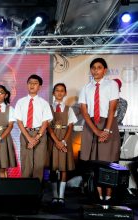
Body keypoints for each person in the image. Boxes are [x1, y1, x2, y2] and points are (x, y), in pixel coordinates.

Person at [78, 58, 120, 202]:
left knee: (107, 162)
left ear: (105, 70)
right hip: (91, 125)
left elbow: (112, 108)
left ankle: (108, 197)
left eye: (99, 67)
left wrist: (107, 130)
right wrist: (96, 131)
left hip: (107, 123)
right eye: (93, 68)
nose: (96, 70)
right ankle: (98, 197)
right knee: (94, 162)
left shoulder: (112, 85)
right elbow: (84, 111)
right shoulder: (86, 88)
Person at [14, 74, 53, 182]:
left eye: (35, 83)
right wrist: (29, 138)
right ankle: (25, 191)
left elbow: (45, 122)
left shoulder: (44, 103)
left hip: (39, 134)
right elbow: (19, 122)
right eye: (30, 83)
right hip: (25, 133)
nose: (32, 85)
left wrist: (36, 137)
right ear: (27, 85)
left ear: (39, 87)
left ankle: (37, 191)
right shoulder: (20, 102)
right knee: (26, 164)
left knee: (39, 165)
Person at [47, 83, 77, 206]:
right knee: (53, 168)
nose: (59, 93)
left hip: (65, 139)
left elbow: (70, 127)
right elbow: (47, 126)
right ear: (53, 93)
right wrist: (56, 141)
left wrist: (63, 141)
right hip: (52, 139)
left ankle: (61, 196)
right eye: (57, 90)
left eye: (62, 91)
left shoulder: (69, 109)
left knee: (64, 168)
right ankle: (54, 196)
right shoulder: (48, 108)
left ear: (65, 93)